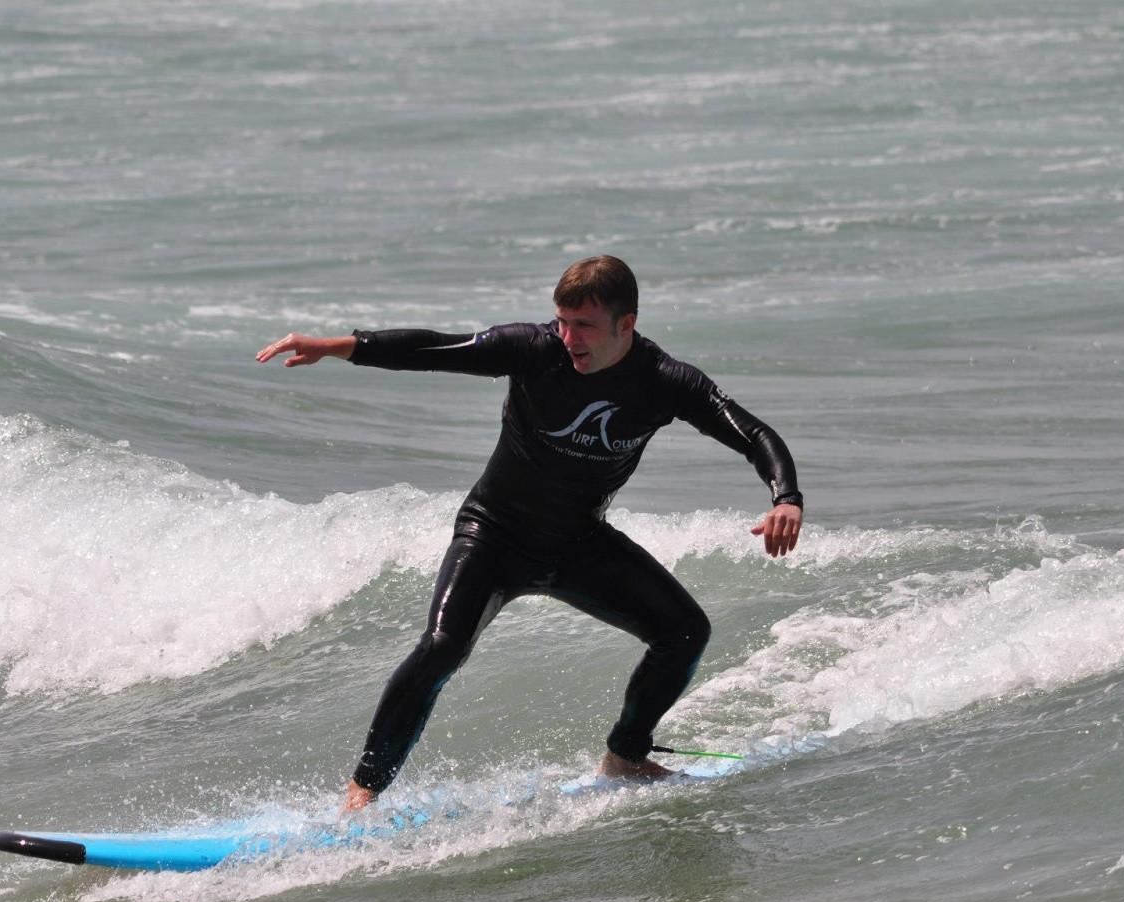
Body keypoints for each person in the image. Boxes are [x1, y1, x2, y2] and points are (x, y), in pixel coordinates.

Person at [255, 256, 803, 812]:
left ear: (626, 325)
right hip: (492, 535)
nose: (568, 337)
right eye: (562, 321)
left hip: (576, 543)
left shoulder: (664, 381)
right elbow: (433, 350)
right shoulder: (533, 349)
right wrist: (342, 345)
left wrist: (785, 497)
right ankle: (362, 793)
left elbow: (752, 432)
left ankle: (626, 758)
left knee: (685, 631)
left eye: (584, 325)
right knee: (443, 648)